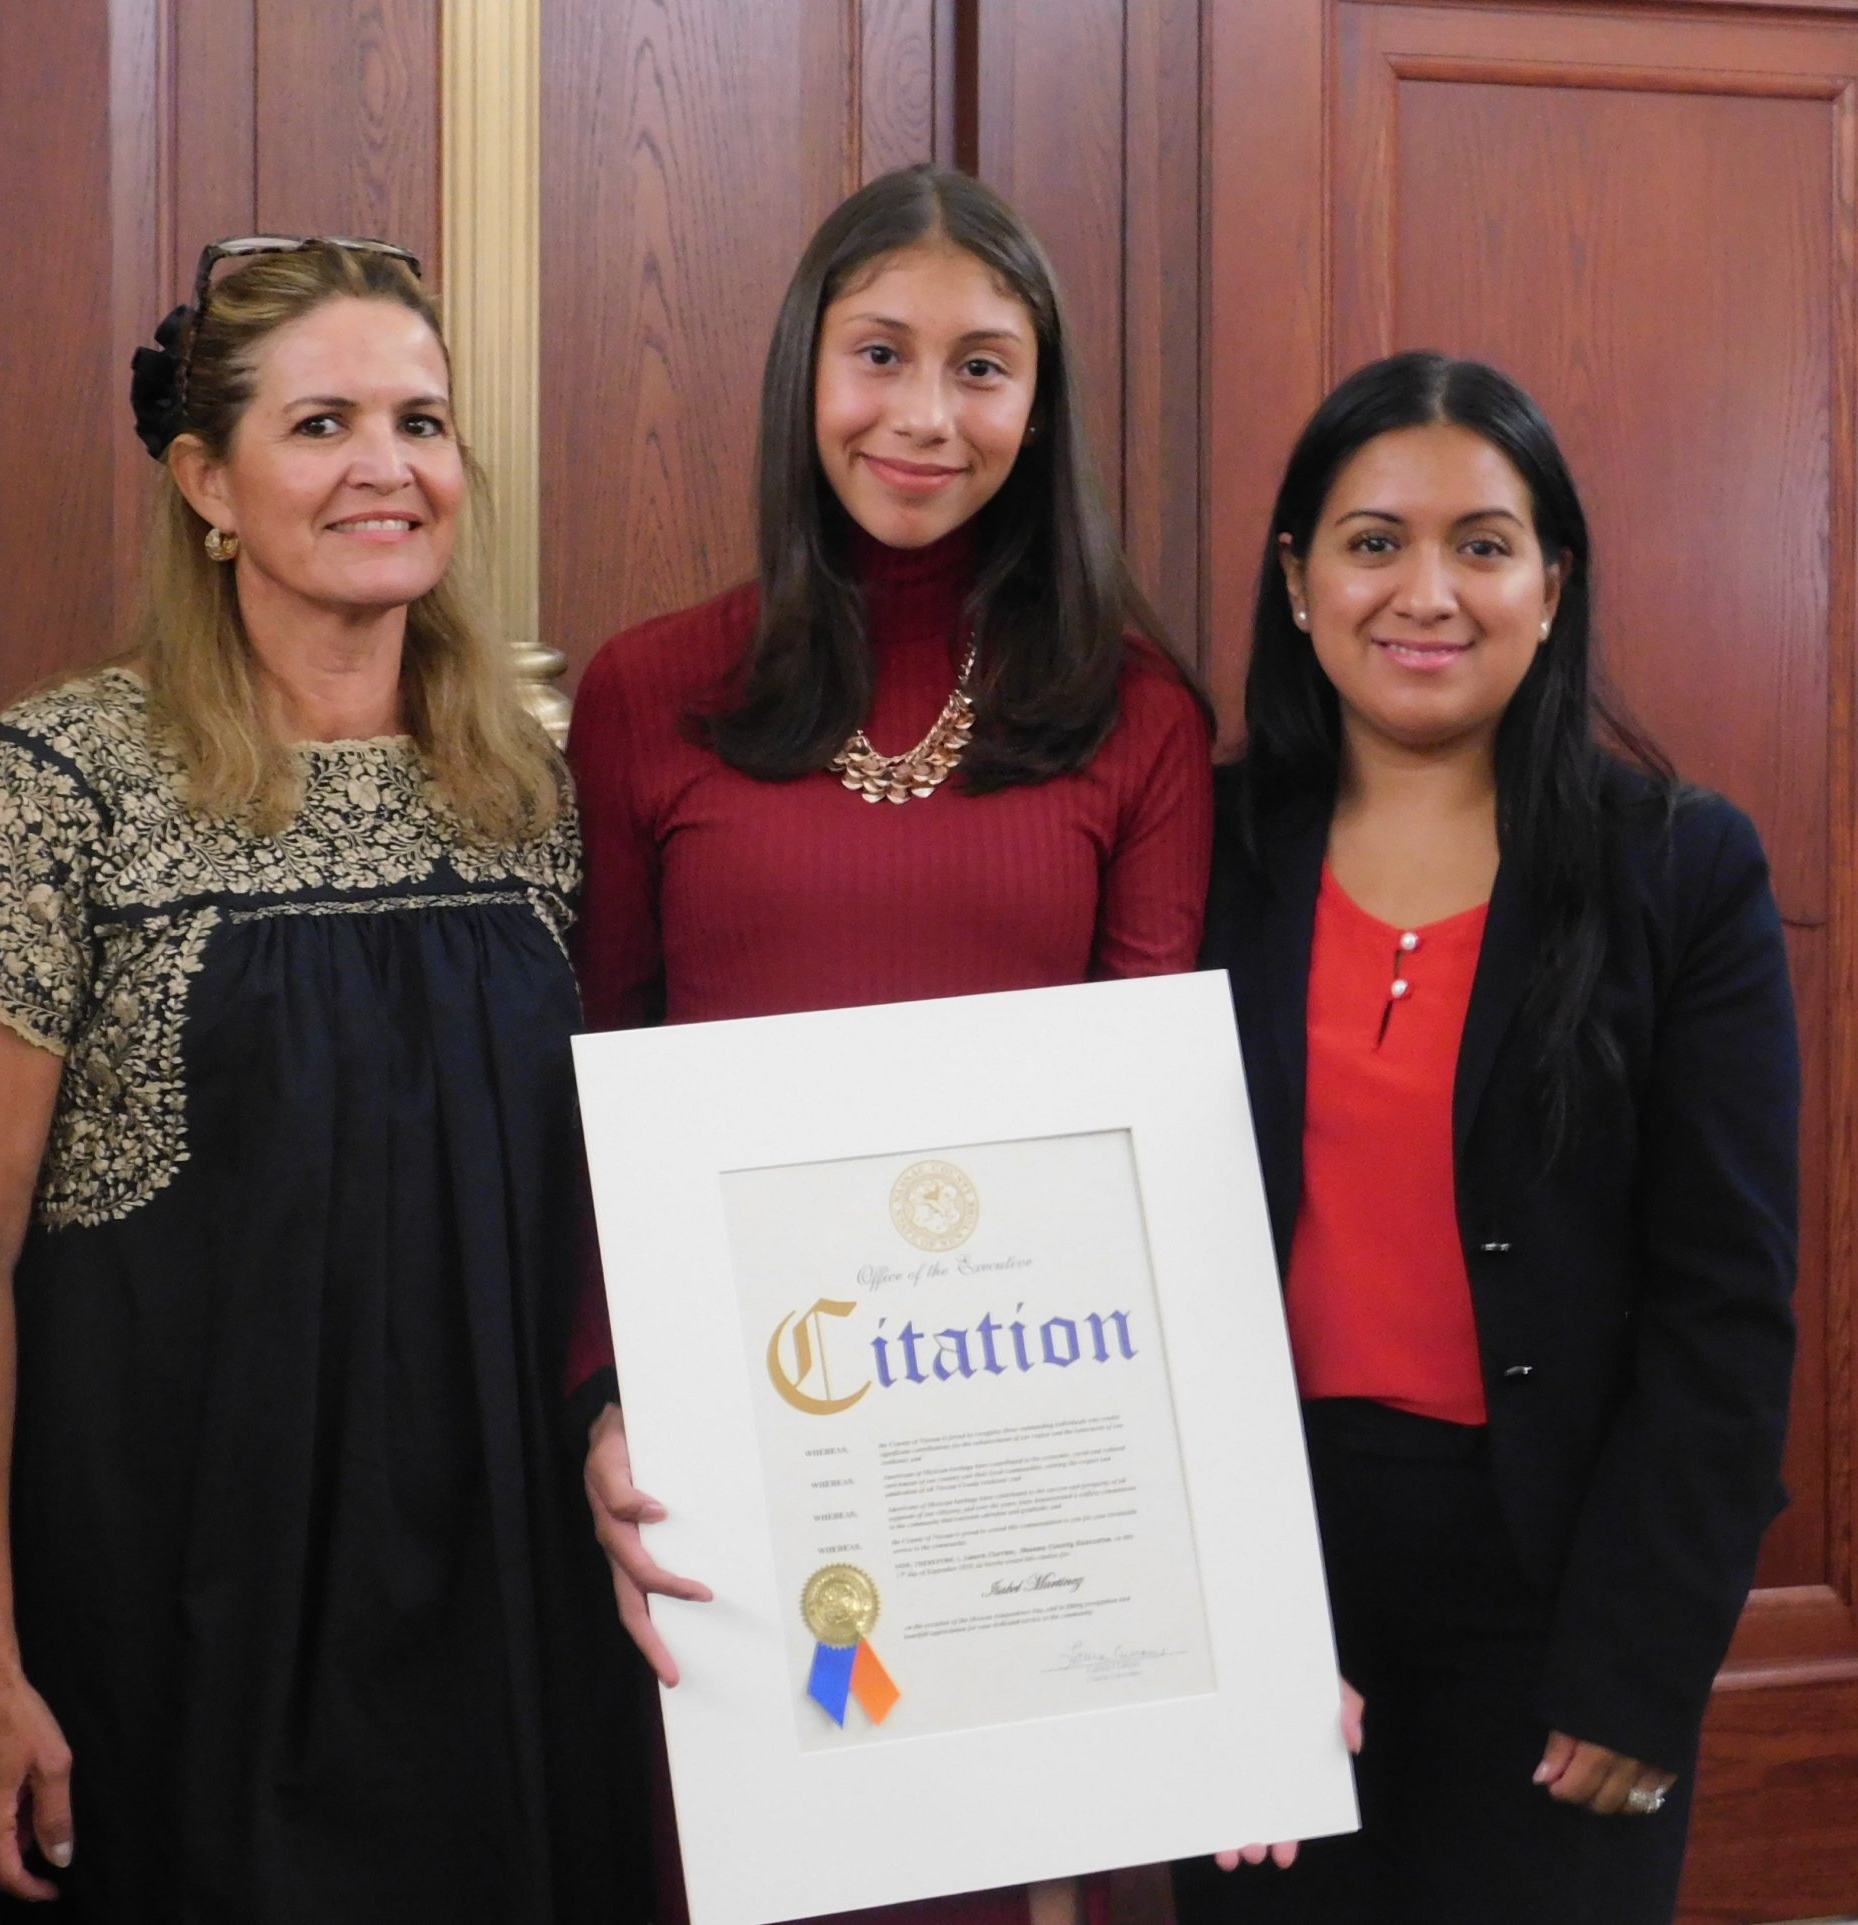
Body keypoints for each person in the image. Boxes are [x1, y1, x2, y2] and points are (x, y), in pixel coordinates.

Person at [0, 236, 641, 1920]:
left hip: (503, 1602)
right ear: (204, 481)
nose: (389, 464)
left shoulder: (543, 786)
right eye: (322, 425)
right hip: (177, 1604)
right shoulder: (53, 786)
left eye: (422, 420)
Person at [567, 165, 1213, 1925]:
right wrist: (609, 1407)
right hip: (742, 1454)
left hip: (1029, 1465)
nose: (927, 416)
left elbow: (1149, 1154)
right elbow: (601, 1081)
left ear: (1042, 398)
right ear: (803, 373)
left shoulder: (1136, 716)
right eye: (881, 355)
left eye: (985, 366)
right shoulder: (649, 690)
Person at [1171, 353, 1799, 1923]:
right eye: (1374, 541)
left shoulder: (1684, 868)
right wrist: (1206, 1617)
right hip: (1259, 1574)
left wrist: (1645, 1657)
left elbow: (1725, 1303)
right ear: (1297, 581)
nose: (1426, 591)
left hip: (1562, 1593)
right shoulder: (1200, 845)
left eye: (1484, 542)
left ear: (1551, 581)